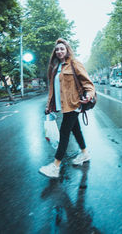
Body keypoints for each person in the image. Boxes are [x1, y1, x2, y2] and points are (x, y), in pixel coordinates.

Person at [39, 38, 95, 178]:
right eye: (57, 49)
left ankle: (55, 166)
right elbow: (52, 89)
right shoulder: (55, 67)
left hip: (74, 104)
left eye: (62, 49)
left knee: (64, 134)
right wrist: (49, 106)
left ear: (67, 50)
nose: (59, 51)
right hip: (64, 106)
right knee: (75, 130)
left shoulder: (74, 64)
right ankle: (85, 154)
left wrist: (89, 95)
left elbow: (87, 83)